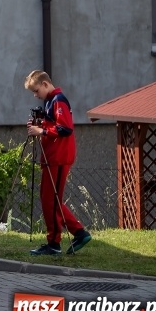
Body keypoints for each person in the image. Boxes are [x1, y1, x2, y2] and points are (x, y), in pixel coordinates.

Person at [24, 70, 92, 256]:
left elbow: (65, 128)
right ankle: (73, 234)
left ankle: (58, 241)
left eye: (36, 90)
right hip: (52, 156)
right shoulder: (51, 101)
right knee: (49, 199)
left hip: (59, 156)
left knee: (52, 200)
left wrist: (42, 131)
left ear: (45, 84)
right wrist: (41, 125)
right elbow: (55, 124)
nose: (35, 95)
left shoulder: (58, 100)